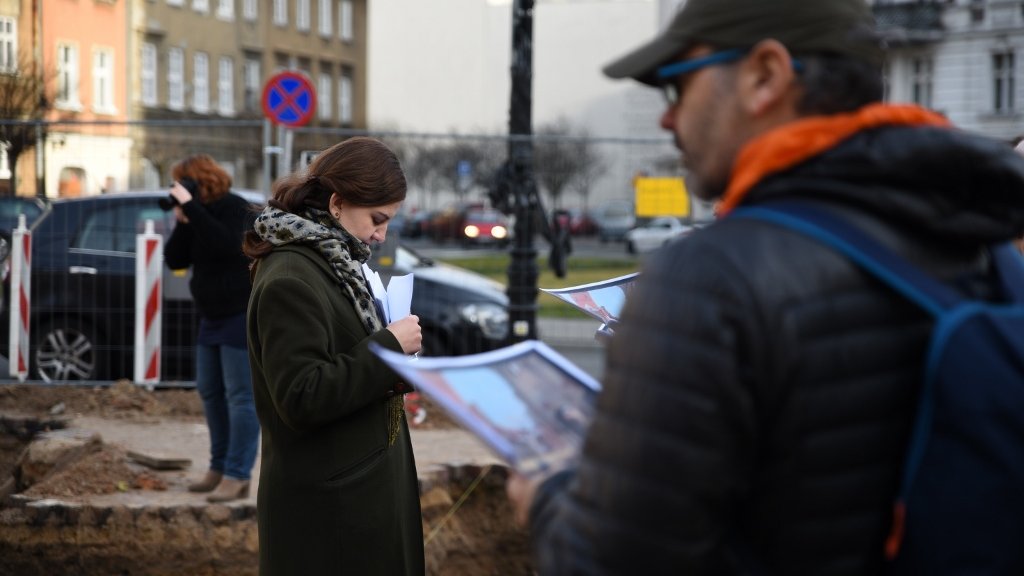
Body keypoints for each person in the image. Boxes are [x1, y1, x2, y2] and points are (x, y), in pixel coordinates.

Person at [507, 0, 1024, 573]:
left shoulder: (709, 279)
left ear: (766, 76)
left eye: (677, 86)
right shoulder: (987, 248)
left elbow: (609, 562)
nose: (666, 118)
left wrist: (550, 496)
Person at [242, 137, 424, 575]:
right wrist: (389, 348)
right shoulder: (292, 276)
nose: (381, 235)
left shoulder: (335, 258)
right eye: (377, 219)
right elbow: (302, 396)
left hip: (360, 490)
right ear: (338, 203)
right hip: (332, 511)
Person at [163, 154, 259, 503]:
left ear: (199, 182)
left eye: (182, 183)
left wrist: (195, 213)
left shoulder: (235, 208)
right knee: (209, 391)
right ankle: (218, 467)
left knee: (240, 396)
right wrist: (183, 220)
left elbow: (226, 245)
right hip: (210, 316)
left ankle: (237, 473)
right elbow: (175, 259)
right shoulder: (194, 216)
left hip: (238, 312)